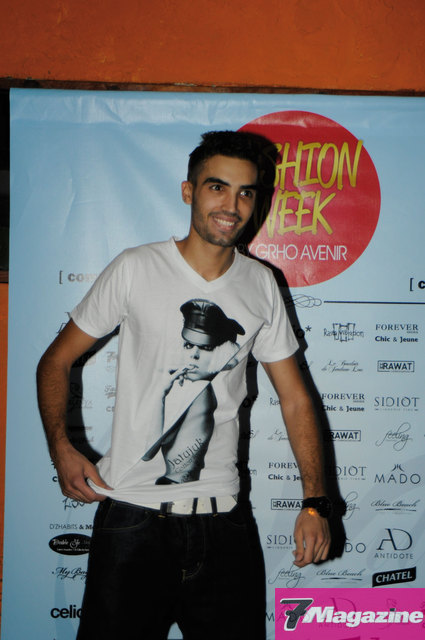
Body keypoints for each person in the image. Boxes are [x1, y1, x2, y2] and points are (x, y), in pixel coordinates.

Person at [37, 130, 331, 640]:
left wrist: (315, 502)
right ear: (188, 191)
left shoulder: (261, 282)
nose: (231, 206)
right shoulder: (136, 267)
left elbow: (295, 398)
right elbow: (55, 360)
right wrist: (61, 448)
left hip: (224, 521)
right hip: (132, 518)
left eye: (245, 192)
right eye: (217, 187)